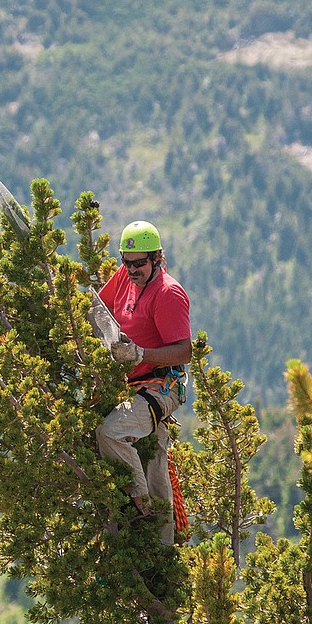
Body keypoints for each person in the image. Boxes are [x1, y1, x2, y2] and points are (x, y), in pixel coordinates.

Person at [96, 221, 192, 545]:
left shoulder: (168, 294)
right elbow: (99, 308)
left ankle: (141, 503)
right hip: (132, 384)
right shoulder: (125, 276)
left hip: (162, 385)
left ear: (156, 258)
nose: (132, 269)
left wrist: (140, 354)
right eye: (127, 261)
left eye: (140, 263)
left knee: (110, 432)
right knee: (154, 462)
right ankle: (162, 549)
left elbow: (184, 351)